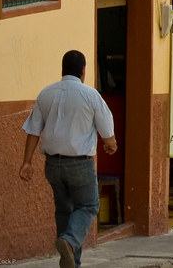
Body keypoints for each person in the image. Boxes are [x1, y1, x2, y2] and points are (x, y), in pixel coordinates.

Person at [20, 50, 117, 268]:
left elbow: (33, 130)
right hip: (80, 164)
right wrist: (111, 144)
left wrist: (27, 162)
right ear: (83, 70)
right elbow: (107, 131)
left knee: (64, 211)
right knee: (89, 205)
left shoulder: (46, 93)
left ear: (63, 69)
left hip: (53, 165)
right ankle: (70, 242)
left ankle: (72, 260)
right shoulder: (91, 95)